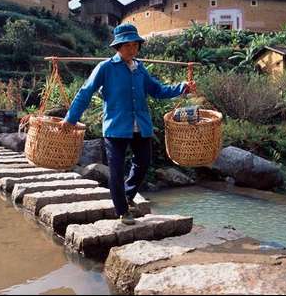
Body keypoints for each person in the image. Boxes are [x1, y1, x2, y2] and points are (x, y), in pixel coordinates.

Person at [59, 24, 196, 225]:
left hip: (141, 126)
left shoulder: (140, 69)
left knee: (143, 162)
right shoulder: (105, 68)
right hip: (116, 128)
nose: (132, 49)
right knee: (115, 170)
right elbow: (85, 92)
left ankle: (129, 194)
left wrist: (182, 87)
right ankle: (122, 211)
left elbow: (157, 90)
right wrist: (70, 119)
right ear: (118, 47)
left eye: (135, 45)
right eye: (128, 45)